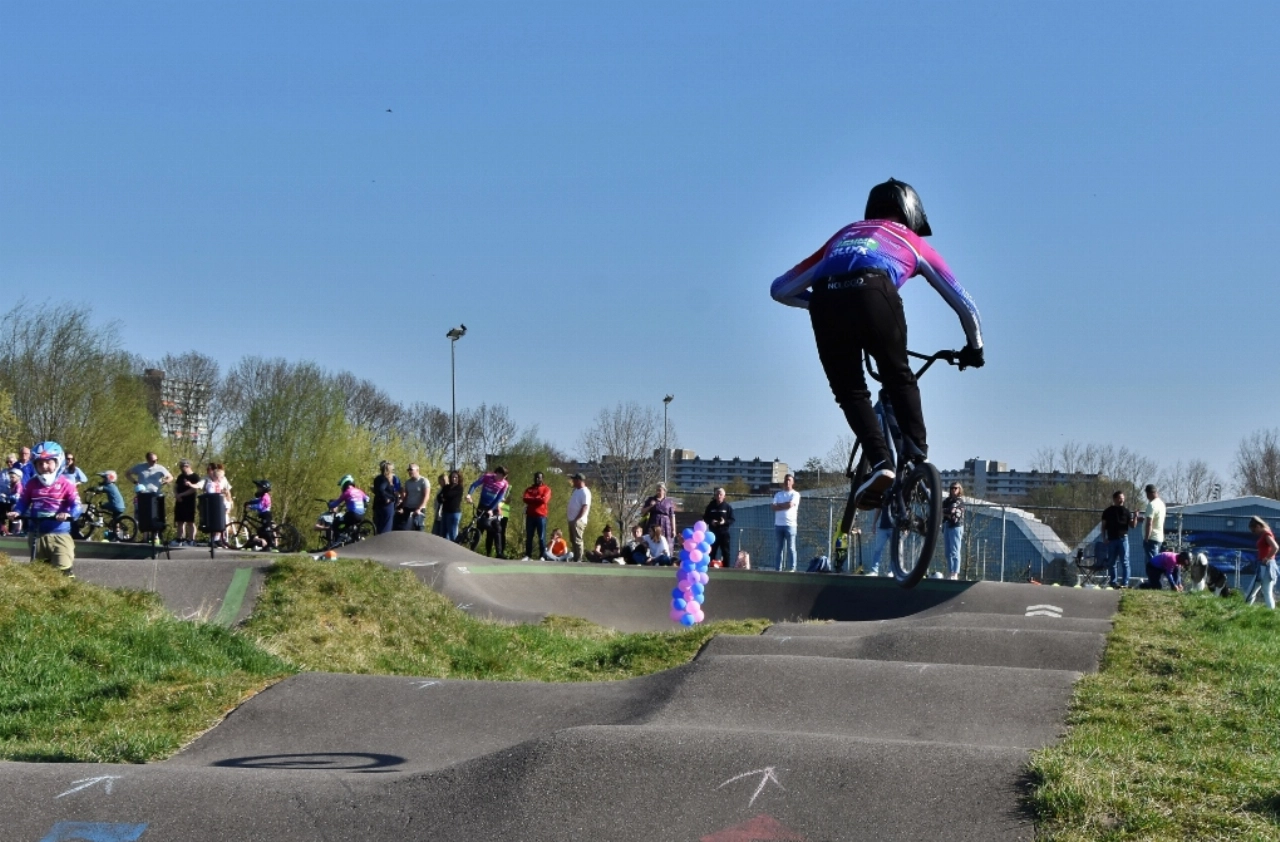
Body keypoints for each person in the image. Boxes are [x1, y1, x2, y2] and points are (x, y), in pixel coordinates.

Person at [770, 178, 984, 510]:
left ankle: (881, 463)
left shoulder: (844, 234)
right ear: (911, 213)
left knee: (851, 392)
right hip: (875, 293)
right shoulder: (913, 241)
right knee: (898, 375)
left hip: (826, 299)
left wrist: (822, 302)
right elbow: (963, 302)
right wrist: (975, 348)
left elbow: (781, 289)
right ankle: (916, 460)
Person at [6, 442, 82, 577]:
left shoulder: (66, 483)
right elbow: (23, 502)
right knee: (40, 572)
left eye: (48, 462)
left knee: (63, 569)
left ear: (58, 462)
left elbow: (77, 505)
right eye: (40, 463)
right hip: (36, 533)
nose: (44, 466)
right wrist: (17, 512)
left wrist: (68, 514)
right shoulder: (32, 483)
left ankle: (66, 592)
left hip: (60, 534)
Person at [467, 466, 510, 557]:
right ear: (497, 473)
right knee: (480, 528)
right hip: (482, 506)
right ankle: (472, 550)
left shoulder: (505, 484)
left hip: (493, 508)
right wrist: (469, 495)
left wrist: (491, 509)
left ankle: (498, 553)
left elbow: (499, 498)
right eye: (501, 476)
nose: (502, 479)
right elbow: (474, 485)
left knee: (498, 529)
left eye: (504, 477)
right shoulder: (487, 477)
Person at [1099, 490, 1137, 589]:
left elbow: (1132, 525)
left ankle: (1125, 582)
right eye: (1120, 498)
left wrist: (1136, 516)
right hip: (1112, 539)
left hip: (1123, 539)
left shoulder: (1126, 511)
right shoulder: (1108, 511)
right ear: (1115, 499)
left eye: (1123, 498)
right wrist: (1104, 538)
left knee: (1125, 561)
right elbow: (1103, 526)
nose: (1122, 500)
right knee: (1112, 562)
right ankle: (1113, 582)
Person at [1244, 516, 1278, 610]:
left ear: (1258, 526)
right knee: (1261, 591)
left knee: (1260, 590)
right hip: (1265, 566)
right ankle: (1246, 609)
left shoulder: (1266, 534)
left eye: (1253, 530)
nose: (1254, 533)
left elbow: (1275, 547)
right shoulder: (1266, 534)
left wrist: (1267, 558)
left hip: (1266, 567)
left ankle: (1245, 609)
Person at [1138, 484, 1166, 586]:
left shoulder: (1152, 505)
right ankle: (1155, 582)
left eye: (1147, 494)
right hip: (1158, 537)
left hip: (1151, 537)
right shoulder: (1161, 504)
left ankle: (1154, 583)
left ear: (1149, 493)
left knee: (1151, 563)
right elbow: (1154, 520)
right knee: (1156, 561)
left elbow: (1150, 522)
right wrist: (1143, 519)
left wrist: (1146, 538)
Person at [771, 473, 800, 572]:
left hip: (790, 525)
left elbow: (790, 505)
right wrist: (783, 505)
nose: (787, 482)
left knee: (791, 547)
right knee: (779, 548)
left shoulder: (795, 494)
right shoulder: (778, 494)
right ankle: (777, 568)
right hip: (779, 525)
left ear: (793, 482)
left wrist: (780, 505)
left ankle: (792, 568)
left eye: (789, 480)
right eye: (786, 480)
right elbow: (773, 507)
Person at [521, 471, 552, 561]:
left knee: (541, 537)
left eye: (539, 477)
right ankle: (528, 555)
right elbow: (525, 498)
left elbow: (544, 500)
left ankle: (542, 556)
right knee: (529, 536)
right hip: (530, 515)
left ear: (542, 478)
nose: (537, 479)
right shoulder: (529, 489)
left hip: (541, 516)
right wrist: (537, 499)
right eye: (536, 477)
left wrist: (532, 499)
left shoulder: (546, 489)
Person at [172, 459, 202, 546]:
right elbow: (175, 486)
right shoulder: (180, 477)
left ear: (188, 466)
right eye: (180, 467)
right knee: (180, 521)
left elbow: (193, 489)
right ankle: (180, 539)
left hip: (189, 501)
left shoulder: (195, 477)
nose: (181, 468)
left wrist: (182, 495)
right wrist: (177, 495)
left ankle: (191, 539)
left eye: (182, 467)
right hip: (179, 501)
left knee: (190, 521)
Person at [202, 463, 233, 547]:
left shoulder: (220, 485)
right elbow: (212, 494)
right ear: (216, 477)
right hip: (215, 507)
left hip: (221, 506)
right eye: (221, 477)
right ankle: (215, 540)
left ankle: (219, 539)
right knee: (217, 523)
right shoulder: (210, 484)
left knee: (224, 523)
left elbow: (225, 496)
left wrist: (228, 503)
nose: (223, 479)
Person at [703, 487, 735, 567]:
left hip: (724, 533)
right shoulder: (710, 506)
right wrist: (711, 521)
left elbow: (732, 519)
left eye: (721, 494)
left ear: (724, 496)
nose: (719, 496)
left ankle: (726, 569)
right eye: (717, 494)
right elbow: (705, 517)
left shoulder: (727, 507)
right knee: (711, 551)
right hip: (712, 534)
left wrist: (724, 522)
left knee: (725, 552)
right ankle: (710, 567)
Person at [93, 470, 127, 540]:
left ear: (109, 479)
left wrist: (90, 489)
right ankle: (118, 537)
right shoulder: (113, 486)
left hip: (115, 505)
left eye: (104, 478)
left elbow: (98, 489)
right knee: (116, 521)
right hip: (121, 506)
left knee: (100, 505)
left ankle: (100, 521)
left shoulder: (109, 486)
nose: (103, 480)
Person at [244, 479, 276, 551]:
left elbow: (260, 506)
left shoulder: (266, 496)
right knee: (260, 531)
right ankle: (264, 545)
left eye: (259, 488)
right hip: (263, 515)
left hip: (266, 515)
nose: (258, 489)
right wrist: (250, 502)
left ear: (263, 489)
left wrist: (251, 506)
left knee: (266, 531)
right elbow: (257, 500)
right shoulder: (263, 496)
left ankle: (270, 545)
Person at [942, 482, 965, 580]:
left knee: (955, 550)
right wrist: (946, 513)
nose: (953, 490)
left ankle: (955, 573)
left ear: (959, 489)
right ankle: (950, 571)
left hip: (956, 526)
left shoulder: (959, 500)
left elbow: (952, 511)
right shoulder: (947, 500)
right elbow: (939, 509)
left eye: (955, 488)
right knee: (948, 551)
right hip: (947, 525)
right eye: (951, 488)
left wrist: (945, 512)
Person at [863, 505, 894, 576]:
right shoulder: (883, 496)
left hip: (894, 528)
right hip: (883, 527)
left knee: (893, 551)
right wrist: (874, 524)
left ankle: (891, 571)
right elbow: (878, 510)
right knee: (878, 549)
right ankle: (874, 570)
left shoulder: (898, 497)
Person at [567, 473, 592, 562]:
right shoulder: (576, 490)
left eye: (574, 480)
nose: (572, 481)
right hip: (572, 520)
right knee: (573, 540)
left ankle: (579, 559)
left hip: (578, 520)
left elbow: (584, 507)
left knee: (578, 540)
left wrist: (576, 519)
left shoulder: (585, 492)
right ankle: (575, 557)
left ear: (579, 480)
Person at [398, 463, 430, 531]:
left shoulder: (423, 481)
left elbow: (426, 496)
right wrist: (402, 507)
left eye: (411, 470)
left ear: (417, 470)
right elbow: (405, 496)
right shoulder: (407, 482)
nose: (409, 471)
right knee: (405, 529)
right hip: (408, 508)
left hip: (418, 509)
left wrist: (419, 508)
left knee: (418, 527)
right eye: (408, 470)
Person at [372, 461, 400, 535]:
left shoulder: (377, 478)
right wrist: (388, 498)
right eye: (393, 470)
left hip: (378, 505)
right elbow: (381, 489)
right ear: (389, 470)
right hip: (387, 506)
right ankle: (383, 544)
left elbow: (376, 490)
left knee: (379, 526)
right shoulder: (385, 480)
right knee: (386, 527)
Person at [438, 470, 464, 542]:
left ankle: (455, 551)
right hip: (445, 512)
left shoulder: (459, 488)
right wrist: (443, 498)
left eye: (456, 477)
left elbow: (449, 495)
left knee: (452, 534)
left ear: (459, 478)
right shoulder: (446, 487)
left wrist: (444, 497)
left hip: (454, 513)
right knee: (443, 534)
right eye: (452, 477)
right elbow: (439, 497)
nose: (454, 479)